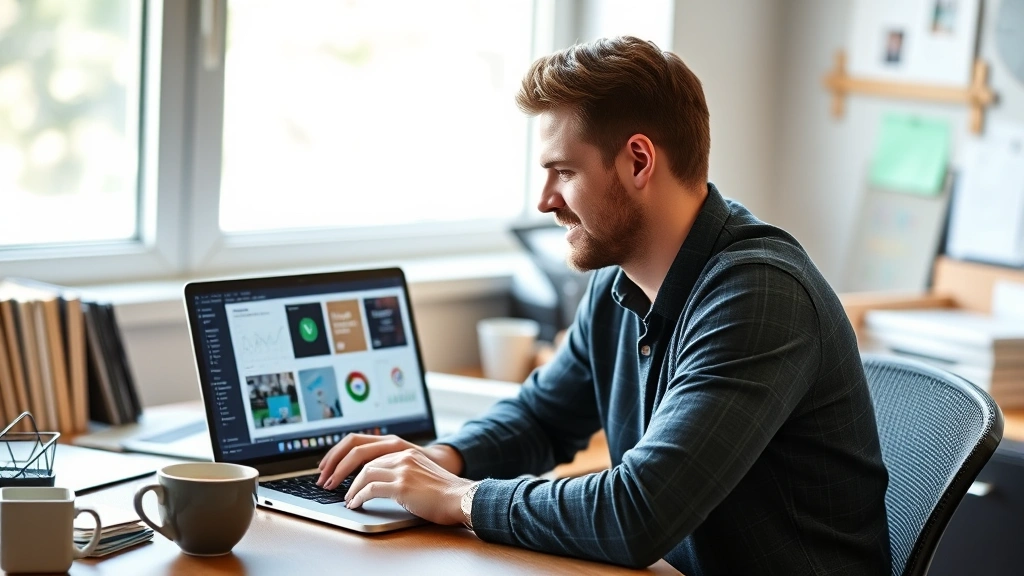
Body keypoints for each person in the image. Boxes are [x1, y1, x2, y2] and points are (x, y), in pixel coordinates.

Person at [317, 36, 891, 575]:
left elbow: (639, 513)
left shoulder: (759, 295)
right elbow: (543, 418)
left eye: (564, 172)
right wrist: (441, 458)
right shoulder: (622, 282)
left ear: (639, 161)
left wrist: (459, 499)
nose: (545, 202)